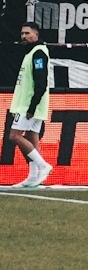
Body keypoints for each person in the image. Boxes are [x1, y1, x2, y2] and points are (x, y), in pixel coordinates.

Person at [9, 22, 53, 188]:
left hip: (29, 105)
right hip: (28, 104)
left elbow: (41, 81)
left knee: (14, 136)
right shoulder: (31, 53)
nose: (24, 37)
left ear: (36, 35)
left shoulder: (39, 53)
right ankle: (33, 177)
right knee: (32, 137)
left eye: (27, 33)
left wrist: (32, 106)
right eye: (22, 34)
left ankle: (43, 166)